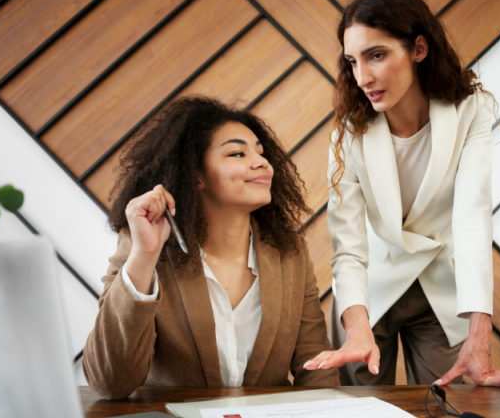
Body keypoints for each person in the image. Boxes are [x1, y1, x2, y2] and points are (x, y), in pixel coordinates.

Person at [302, 0, 500, 388]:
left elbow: (472, 217)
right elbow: (348, 249)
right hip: (367, 294)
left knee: (451, 406)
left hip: (440, 284)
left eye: (377, 55)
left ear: (418, 48)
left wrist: (479, 332)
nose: (362, 76)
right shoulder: (348, 134)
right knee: (361, 412)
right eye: (353, 61)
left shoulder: (470, 110)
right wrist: (355, 327)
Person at [83, 96, 339, 399]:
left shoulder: (289, 251)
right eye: (236, 153)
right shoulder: (146, 246)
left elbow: (317, 366)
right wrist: (145, 255)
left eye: (260, 151)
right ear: (196, 175)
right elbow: (108, 383)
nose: (261, 162)